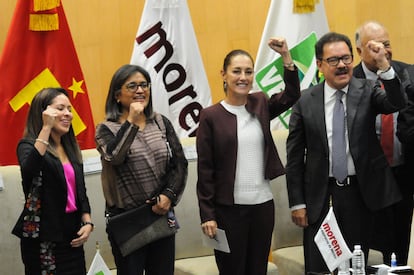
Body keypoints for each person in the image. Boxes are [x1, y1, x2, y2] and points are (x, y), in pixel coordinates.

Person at [286, 32, 406, 273]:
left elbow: (396, 103)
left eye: (346, 58)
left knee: (358, 266)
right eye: (333, 60)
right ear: (319, 65)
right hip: (320, 198)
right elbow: (295, 158)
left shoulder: (368, 89)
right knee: (321, 267)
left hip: (362, 196)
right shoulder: (305, 101)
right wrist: (297, 203)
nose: (341, 65)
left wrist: (384, 65)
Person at [196, 37, 300, 275]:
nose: (243, 77)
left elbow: (292, 95)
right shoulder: (211, 116)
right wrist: (207, 215)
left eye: (248, 71)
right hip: (227, 211)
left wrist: (286, 56)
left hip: (262, 207)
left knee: (257, 270)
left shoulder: (260, 103)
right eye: (236, 71)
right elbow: (205, 170)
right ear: (223, 74)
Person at [95, 64, 188, 275]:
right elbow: (115, 157)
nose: (140, 90)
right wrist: (132, 122)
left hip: (160, 214)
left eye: (144, 85)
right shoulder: (106, 129)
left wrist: (169, 195)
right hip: (128, 220)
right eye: (133, 86)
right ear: (118, 95)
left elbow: (179, 163)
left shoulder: (160, 122)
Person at [12, 87, 93, 275]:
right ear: (43, 113)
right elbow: (29, 170)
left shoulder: (70, 147)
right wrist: (46, 128)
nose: (68, 114)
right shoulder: (28, 146)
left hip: (72, 235)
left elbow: (80, 190)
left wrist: (88, 222)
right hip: (43, 238)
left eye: (69, 109)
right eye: (60, 108)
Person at [353, 20, 414, 265]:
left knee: (401, 242)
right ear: (358, 51)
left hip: (404, 170)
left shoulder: (409, 72)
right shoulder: (350, 80)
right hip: (368, 175)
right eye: (375, 45)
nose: (383, 51)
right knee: (373, 246)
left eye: (386, 44)